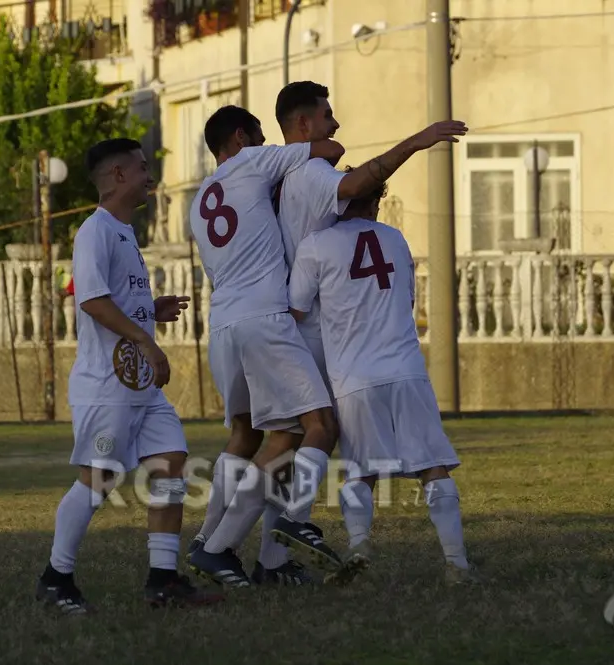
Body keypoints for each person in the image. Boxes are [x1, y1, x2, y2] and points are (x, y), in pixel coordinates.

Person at [189, 83, 470, 585]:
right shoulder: (302, 169)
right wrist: (417, 141)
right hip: (296, 327)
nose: (335, 124)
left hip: (230, 320)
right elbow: (354, 176)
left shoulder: (224, 191)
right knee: (311, 431)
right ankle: (242, 539)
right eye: (326, 114)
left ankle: (253, 554)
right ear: (301, 124)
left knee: (268, 438)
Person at [35, 137, 225, 614]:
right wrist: (146, 340)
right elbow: (92, 301)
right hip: (107, 386)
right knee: (97, 480)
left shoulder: (123, 232)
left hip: (139, 388)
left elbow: (114, 300)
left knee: (171, 461)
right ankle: (55, 578)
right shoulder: (95, 231)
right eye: (142, 168)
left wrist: (149, 311)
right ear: (119, 175)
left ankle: (162, 580)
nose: (149, 176)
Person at [287, 169, 483, 587]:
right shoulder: (395, 239)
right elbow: (406, 299)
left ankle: (359, 545)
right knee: (432, 466)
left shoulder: (316, 245)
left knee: (360, 470)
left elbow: (297, 310)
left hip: (353, 377)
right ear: (375, 201)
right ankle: (456, 563)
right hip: (406, 368)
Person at [185, 105, 348, 588]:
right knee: (312, 427)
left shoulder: (199, 199)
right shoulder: (253, 161)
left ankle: (211, 539)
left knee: (247, 436)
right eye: (258, 135)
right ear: (240, 137)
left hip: (223, 325)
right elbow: (330, 149)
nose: (264, 142)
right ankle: (222, 548)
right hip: (264, 320)